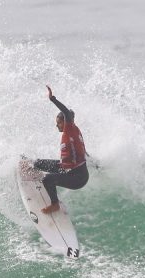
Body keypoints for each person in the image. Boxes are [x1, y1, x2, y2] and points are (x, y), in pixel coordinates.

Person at [32, 85, 89, 214]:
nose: (56, 125)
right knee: (36, 163)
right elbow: (83, 152)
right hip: (67, 168)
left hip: (77, 178)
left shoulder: (70, 129)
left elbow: (67, 113)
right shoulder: (74, 131)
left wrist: (53, 99)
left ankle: (55, 205)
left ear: (65, 122)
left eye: (58, 122)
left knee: (47, 179)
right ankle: (32, 170)